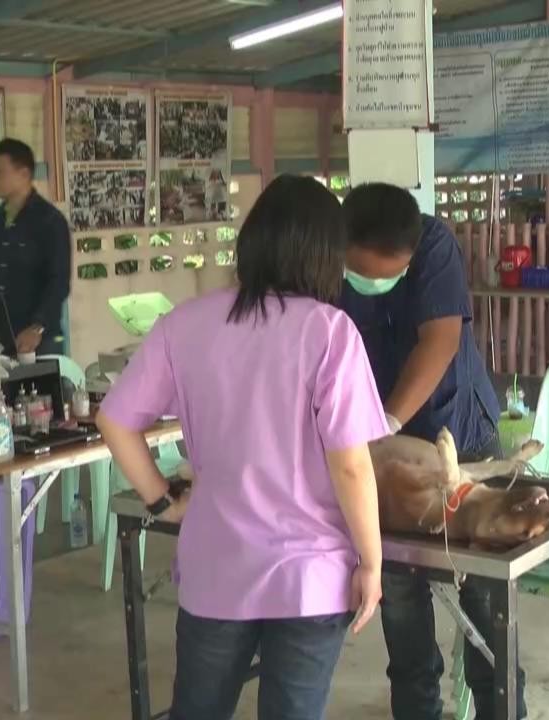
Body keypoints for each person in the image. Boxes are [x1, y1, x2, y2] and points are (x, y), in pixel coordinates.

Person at [97, 175, 387, 720]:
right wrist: (371, 562)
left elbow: (114, 421)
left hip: (215, 568)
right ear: (325, 253)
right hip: (309, 576)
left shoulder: (183, 324)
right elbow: (350, 466)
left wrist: (163, 501)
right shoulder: (329, 332)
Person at [338, 183, 520, 720]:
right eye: (362, 273)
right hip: (385, 465)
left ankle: (503, 710)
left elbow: (439, 341)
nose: (371, 284)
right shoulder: (330, 258)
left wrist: (387, 422)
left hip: (456, 436)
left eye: (386, 273)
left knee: (487, 609)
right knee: (400, 600)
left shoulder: (435, 244)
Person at [0, 138, 71, 355]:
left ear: (23, 174)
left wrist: (36, 327)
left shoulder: (50, 221)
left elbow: (58, 282)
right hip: (1, 340)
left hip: (40, 341)